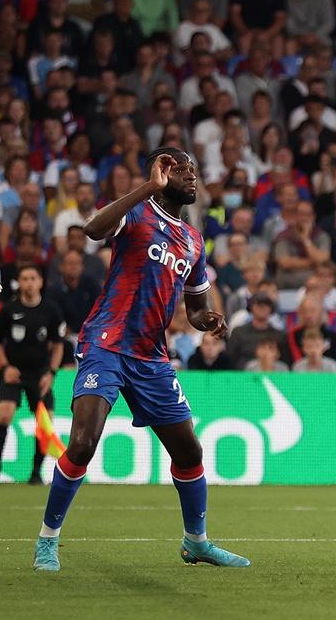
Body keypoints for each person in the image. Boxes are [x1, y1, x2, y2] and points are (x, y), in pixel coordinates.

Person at [32, 148, 249, 572]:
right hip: (106, 343)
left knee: (189, 450)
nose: (191, 177)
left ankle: (196, 542)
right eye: (180, 169)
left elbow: (195, 307)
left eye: (194, 170)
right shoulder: (137, 213)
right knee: (82, 441)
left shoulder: (194, 240)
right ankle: (47, 540)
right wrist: (148, 187)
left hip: (151, 356)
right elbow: (93, 229)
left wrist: (208, 321)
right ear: (162, 174)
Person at [0, 264, 65, 484]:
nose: (29, 283)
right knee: (5, 414)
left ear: (40, 282)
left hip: (39, 374)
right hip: (14, 371)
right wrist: (5, 367)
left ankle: (36, 472)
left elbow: (58, 345)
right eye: (24, 278)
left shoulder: (51, 310)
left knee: (45, 421)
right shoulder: (9, 310)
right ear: (18, 282)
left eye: (33, 278)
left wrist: (51, 373)